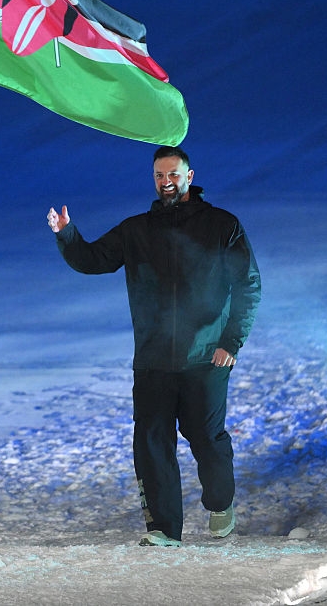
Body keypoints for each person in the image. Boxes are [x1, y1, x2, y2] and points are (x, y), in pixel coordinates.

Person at [47, 145, 260, 547]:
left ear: (189, 176)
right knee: (151, 443)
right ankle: (163, 529)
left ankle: (220, 502)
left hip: (206, 357)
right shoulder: (136, 230)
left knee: (206, 438)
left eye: (174, 175)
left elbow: (247, 284)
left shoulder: (221, 225)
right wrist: (66, 234)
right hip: (153, 359)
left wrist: (230, 341)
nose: (167, 182)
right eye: (160, 176)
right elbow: (93, 259)